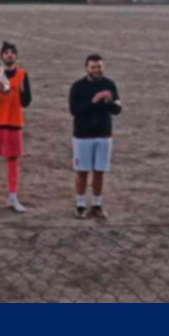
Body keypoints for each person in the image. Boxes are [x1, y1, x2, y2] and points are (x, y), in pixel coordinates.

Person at [0, 41, 32, 213]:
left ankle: (13, 197)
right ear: (1, 56)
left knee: (12, 161)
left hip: (13, 123)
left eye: (12, 52)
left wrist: (23, 91)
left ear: (16, 56)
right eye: (6, 53)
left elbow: (26, 102)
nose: (9, 55)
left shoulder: (22, 75)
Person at [69, 54, 121, 219]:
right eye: (93, 67)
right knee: (82, 171)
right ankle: (80, 205)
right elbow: (74, 110)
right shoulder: (78, 87)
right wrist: (94, 101)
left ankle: (97, 205)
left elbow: (117, 109)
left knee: (99, 171)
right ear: (86, 68)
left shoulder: (109, 85)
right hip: (83, 136)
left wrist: (108, 102)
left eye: (99, 67)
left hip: (103, 135)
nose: (97, 70)